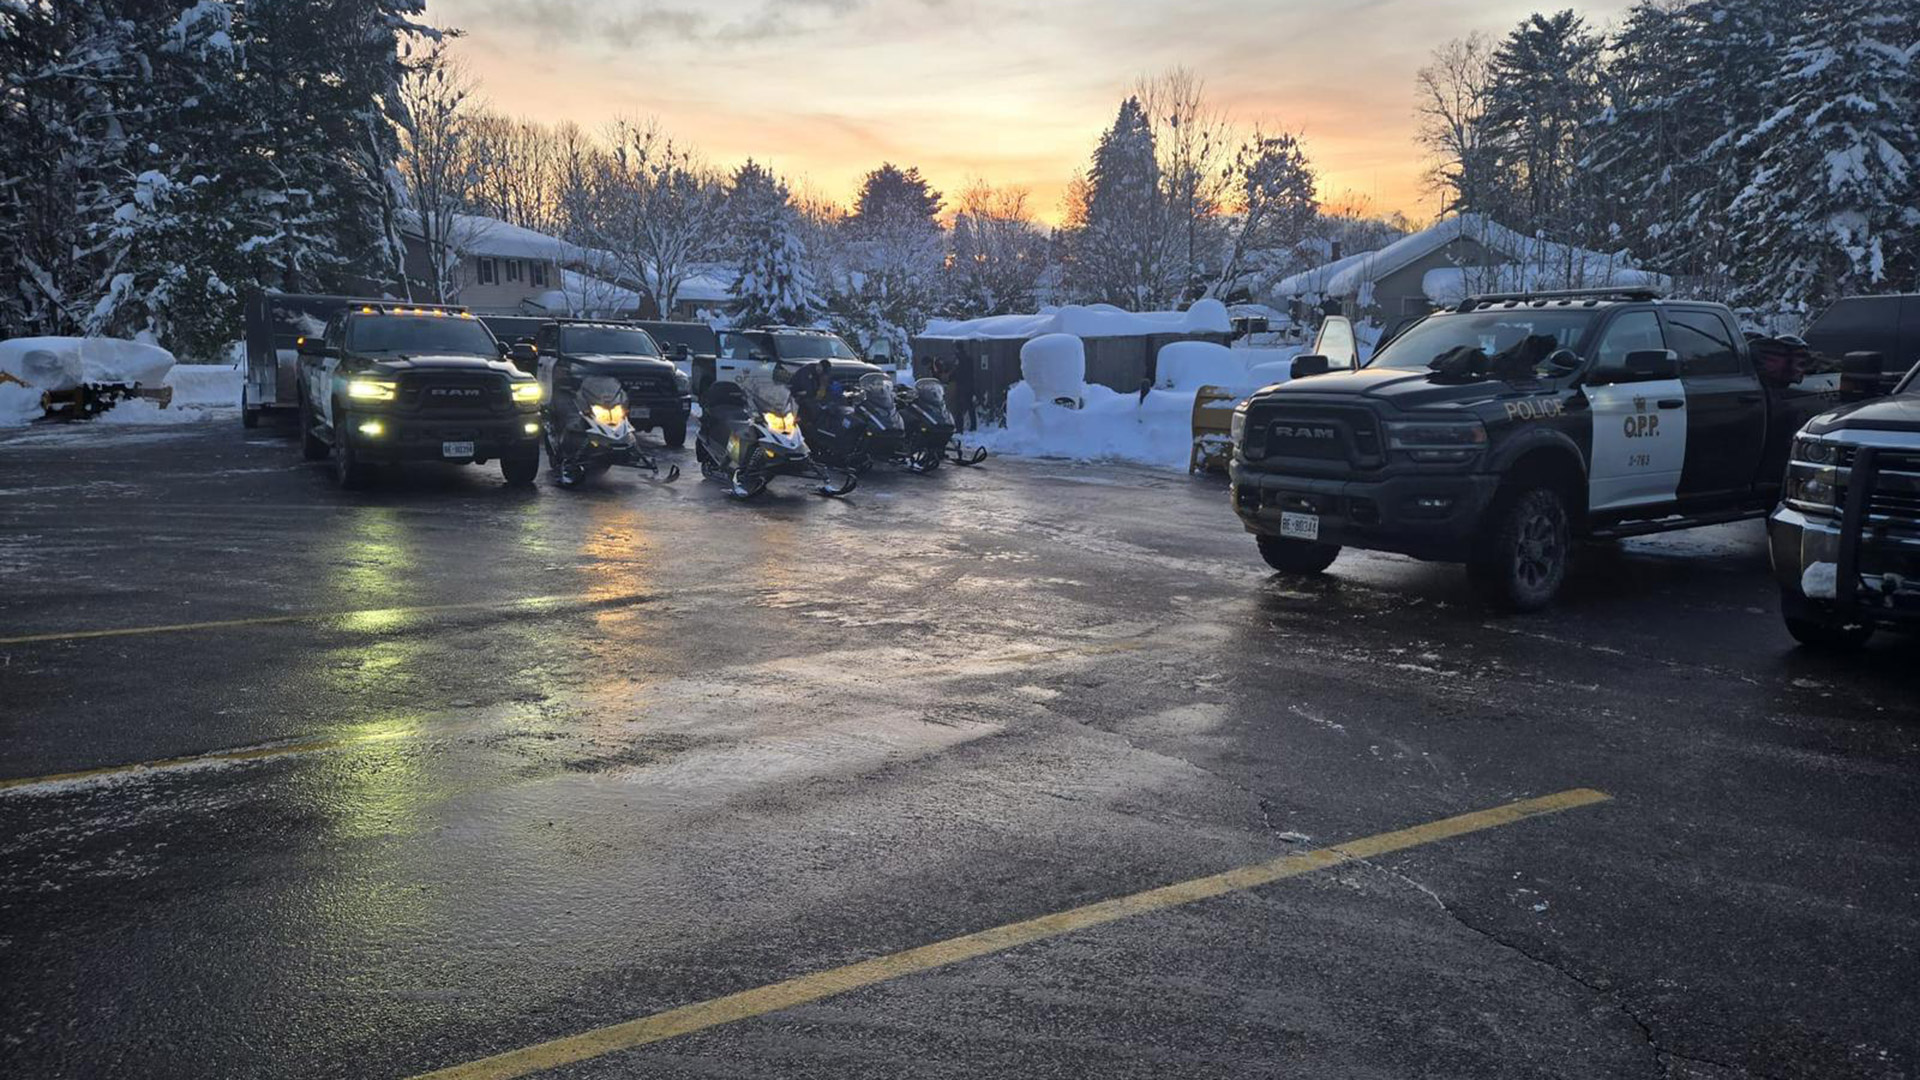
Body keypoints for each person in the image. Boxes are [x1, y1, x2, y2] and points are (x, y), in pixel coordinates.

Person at [952, 340, 979, 432]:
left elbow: (957, 372)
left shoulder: (958, 358)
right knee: (970, 406)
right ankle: (973, 426)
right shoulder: (969, 358)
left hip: (961, 385)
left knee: (959, 407)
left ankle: (959, 428)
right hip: (970, 384)